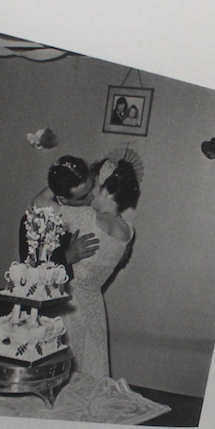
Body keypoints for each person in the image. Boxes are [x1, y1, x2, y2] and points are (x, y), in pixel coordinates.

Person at [57, 154, 141, 379]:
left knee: (61, 374)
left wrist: (64, 178)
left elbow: (39, 203)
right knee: (87, 374)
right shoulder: (128, 231)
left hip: (68, 304)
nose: (89, 193)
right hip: (94, 307)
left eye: (92, 185)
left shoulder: (86, 217)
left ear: (106, 190)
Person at [22, 155, 100, 272]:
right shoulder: (35, 222)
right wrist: (67, 257)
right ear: (63, 199)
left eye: (92, 186)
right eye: (83, 197)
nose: (92, 196)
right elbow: (31, 270)